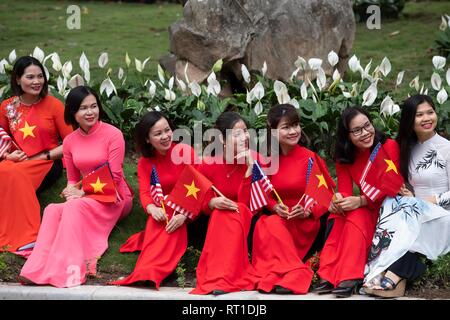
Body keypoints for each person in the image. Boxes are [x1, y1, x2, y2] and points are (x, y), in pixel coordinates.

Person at [19, 86, 133, 287]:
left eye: (94, 106)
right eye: (83, 108)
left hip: (114, 196)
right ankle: (35, 268)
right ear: (73, 112)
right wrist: (73, 192)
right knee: (52, 210)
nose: (90, 112)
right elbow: (72, 178)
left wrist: (81, 193)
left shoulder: (113, 135)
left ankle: (68, 271)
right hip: (87, 197)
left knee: (74, 206)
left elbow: (115, 177)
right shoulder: (70, 141)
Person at [363, 94, 450, 298]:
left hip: (444, 214)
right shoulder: (407, 148)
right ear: (410, 120)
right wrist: (409, 194)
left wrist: (433, 200)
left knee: (413, 231)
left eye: (430, 112)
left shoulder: (447, 148)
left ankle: (394, 275)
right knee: (392, 207)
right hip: (418, 209)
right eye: (419, 114)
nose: (426, 118)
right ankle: (383, 271)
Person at [312, 106, 400, 298]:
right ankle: (328, 273)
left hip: (385, 208)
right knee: (338, 212)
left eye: (367, 125)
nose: (365, 133)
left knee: (357, 214)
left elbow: (390, 186)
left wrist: (361, 200)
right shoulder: (345, 155)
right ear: (347, 135)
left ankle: (350, 275)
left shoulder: (388, 146)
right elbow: (343, 189)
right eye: (357, 130)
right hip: (364, 206)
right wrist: (338, 199)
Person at [111, 111, 199, 288]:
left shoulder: (185, 152)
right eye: (158, 134)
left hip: (189, 211)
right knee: (158, 214)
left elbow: (199, 187)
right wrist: (152, 208)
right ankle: (145, 270)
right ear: (147, 139)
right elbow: (145, 192)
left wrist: (185, 213)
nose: (165, 136)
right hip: (164, 212)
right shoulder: (145, 162)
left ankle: (156, 271)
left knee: (169, 210)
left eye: (167, 130)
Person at [251, 104, 331, 294]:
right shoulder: (268, 160)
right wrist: (274, 207)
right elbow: (264, 193)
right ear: (272, 131)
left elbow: (325, 195)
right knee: (268, 223)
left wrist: (307, 211)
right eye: (286, 127)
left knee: (271, 226)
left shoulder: (310, 158)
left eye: (295, 125)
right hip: (279, 220)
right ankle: (291, 272)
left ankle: (295, 273)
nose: (293, 131)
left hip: (302, 222)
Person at [0, 56, 73, 253]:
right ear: (17, 79)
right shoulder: (8, 106)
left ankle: (28, 236)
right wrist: (9, 156)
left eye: (40, 76)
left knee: (16, 175)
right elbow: (3, 139)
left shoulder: (54, 105)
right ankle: (5, 235)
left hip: (47, 161)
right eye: (30, 77)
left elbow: (71, 142)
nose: (36, 82)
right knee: (3, 171)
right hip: (17, 160)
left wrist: (42, 157)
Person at [190, 111, 260, 295]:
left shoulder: (254, 159)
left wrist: (250, 169)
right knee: (221, 212)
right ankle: (218, 277)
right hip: (219, 220)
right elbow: (200, 201)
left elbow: (249, 204)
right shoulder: (208, 163)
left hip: (246, 218)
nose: (245, 137)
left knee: (232, 211)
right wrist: (213, 202)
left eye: (245, 131)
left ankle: (227, 277)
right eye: (237, 134)